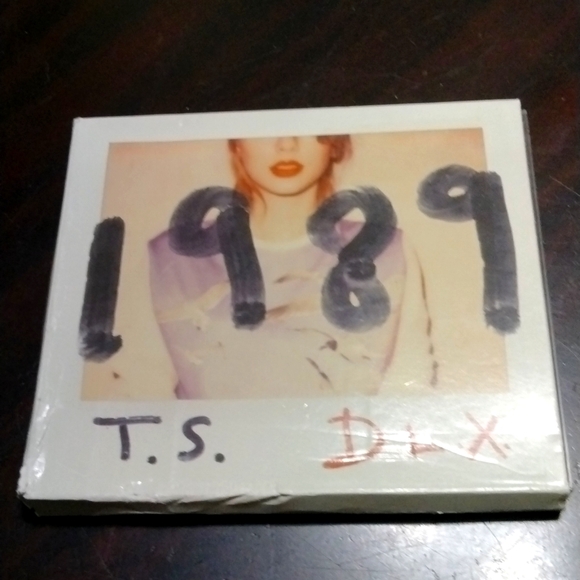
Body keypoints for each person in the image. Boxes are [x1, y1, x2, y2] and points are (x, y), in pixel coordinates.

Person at [148, 136, 435, 399]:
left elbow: (412, 386)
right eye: (263, 127)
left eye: (307, 128)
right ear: (237, 144)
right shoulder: (165, 258)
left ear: (334, 144)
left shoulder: (386, 251)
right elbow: (139, 388)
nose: (286, 143)